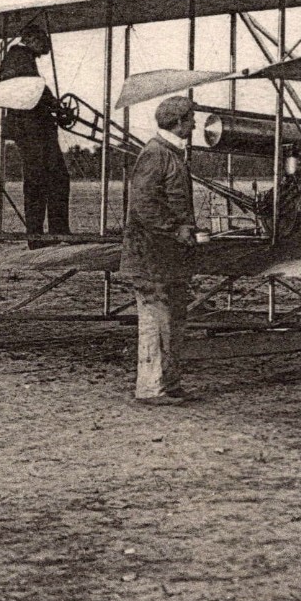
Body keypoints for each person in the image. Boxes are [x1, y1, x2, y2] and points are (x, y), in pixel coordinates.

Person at [122, 96, 200, 405]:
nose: (195, 124)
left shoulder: (170, 153)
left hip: (166, 257)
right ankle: (152, 389)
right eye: (191, 119)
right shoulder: (156, 154)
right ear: (179, 122)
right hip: (151, 256)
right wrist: (176, 228)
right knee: (156, 321)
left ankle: (169, 384)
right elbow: (143, 206)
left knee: (171, 320)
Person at [0, 26, 72, 247]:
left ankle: (40, 234)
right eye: (40, 40)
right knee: (51, 178)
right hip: (32, 128)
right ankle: (51, 233)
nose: (44, 45)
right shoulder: (20, 58)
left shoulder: (18, 58)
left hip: (30, 127)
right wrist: (55, 104)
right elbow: (33, 88)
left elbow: (34, 88)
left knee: (40, 179)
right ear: (29, 39)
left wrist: (53, 104)